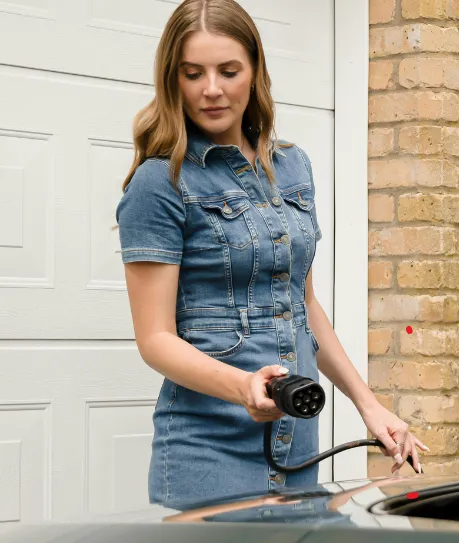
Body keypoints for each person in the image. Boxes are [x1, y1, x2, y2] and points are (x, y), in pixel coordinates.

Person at [115, 0, 426, 509]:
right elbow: (155, 340)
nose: (211, 89)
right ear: (173, 80)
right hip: (207, 448)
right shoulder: (160, 182)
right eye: (193, 74)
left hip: (297, 442)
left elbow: (303, 308)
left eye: (228, 71)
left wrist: (370, 407)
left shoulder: (292, 166)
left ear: (255, 72)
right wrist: (243, 386)